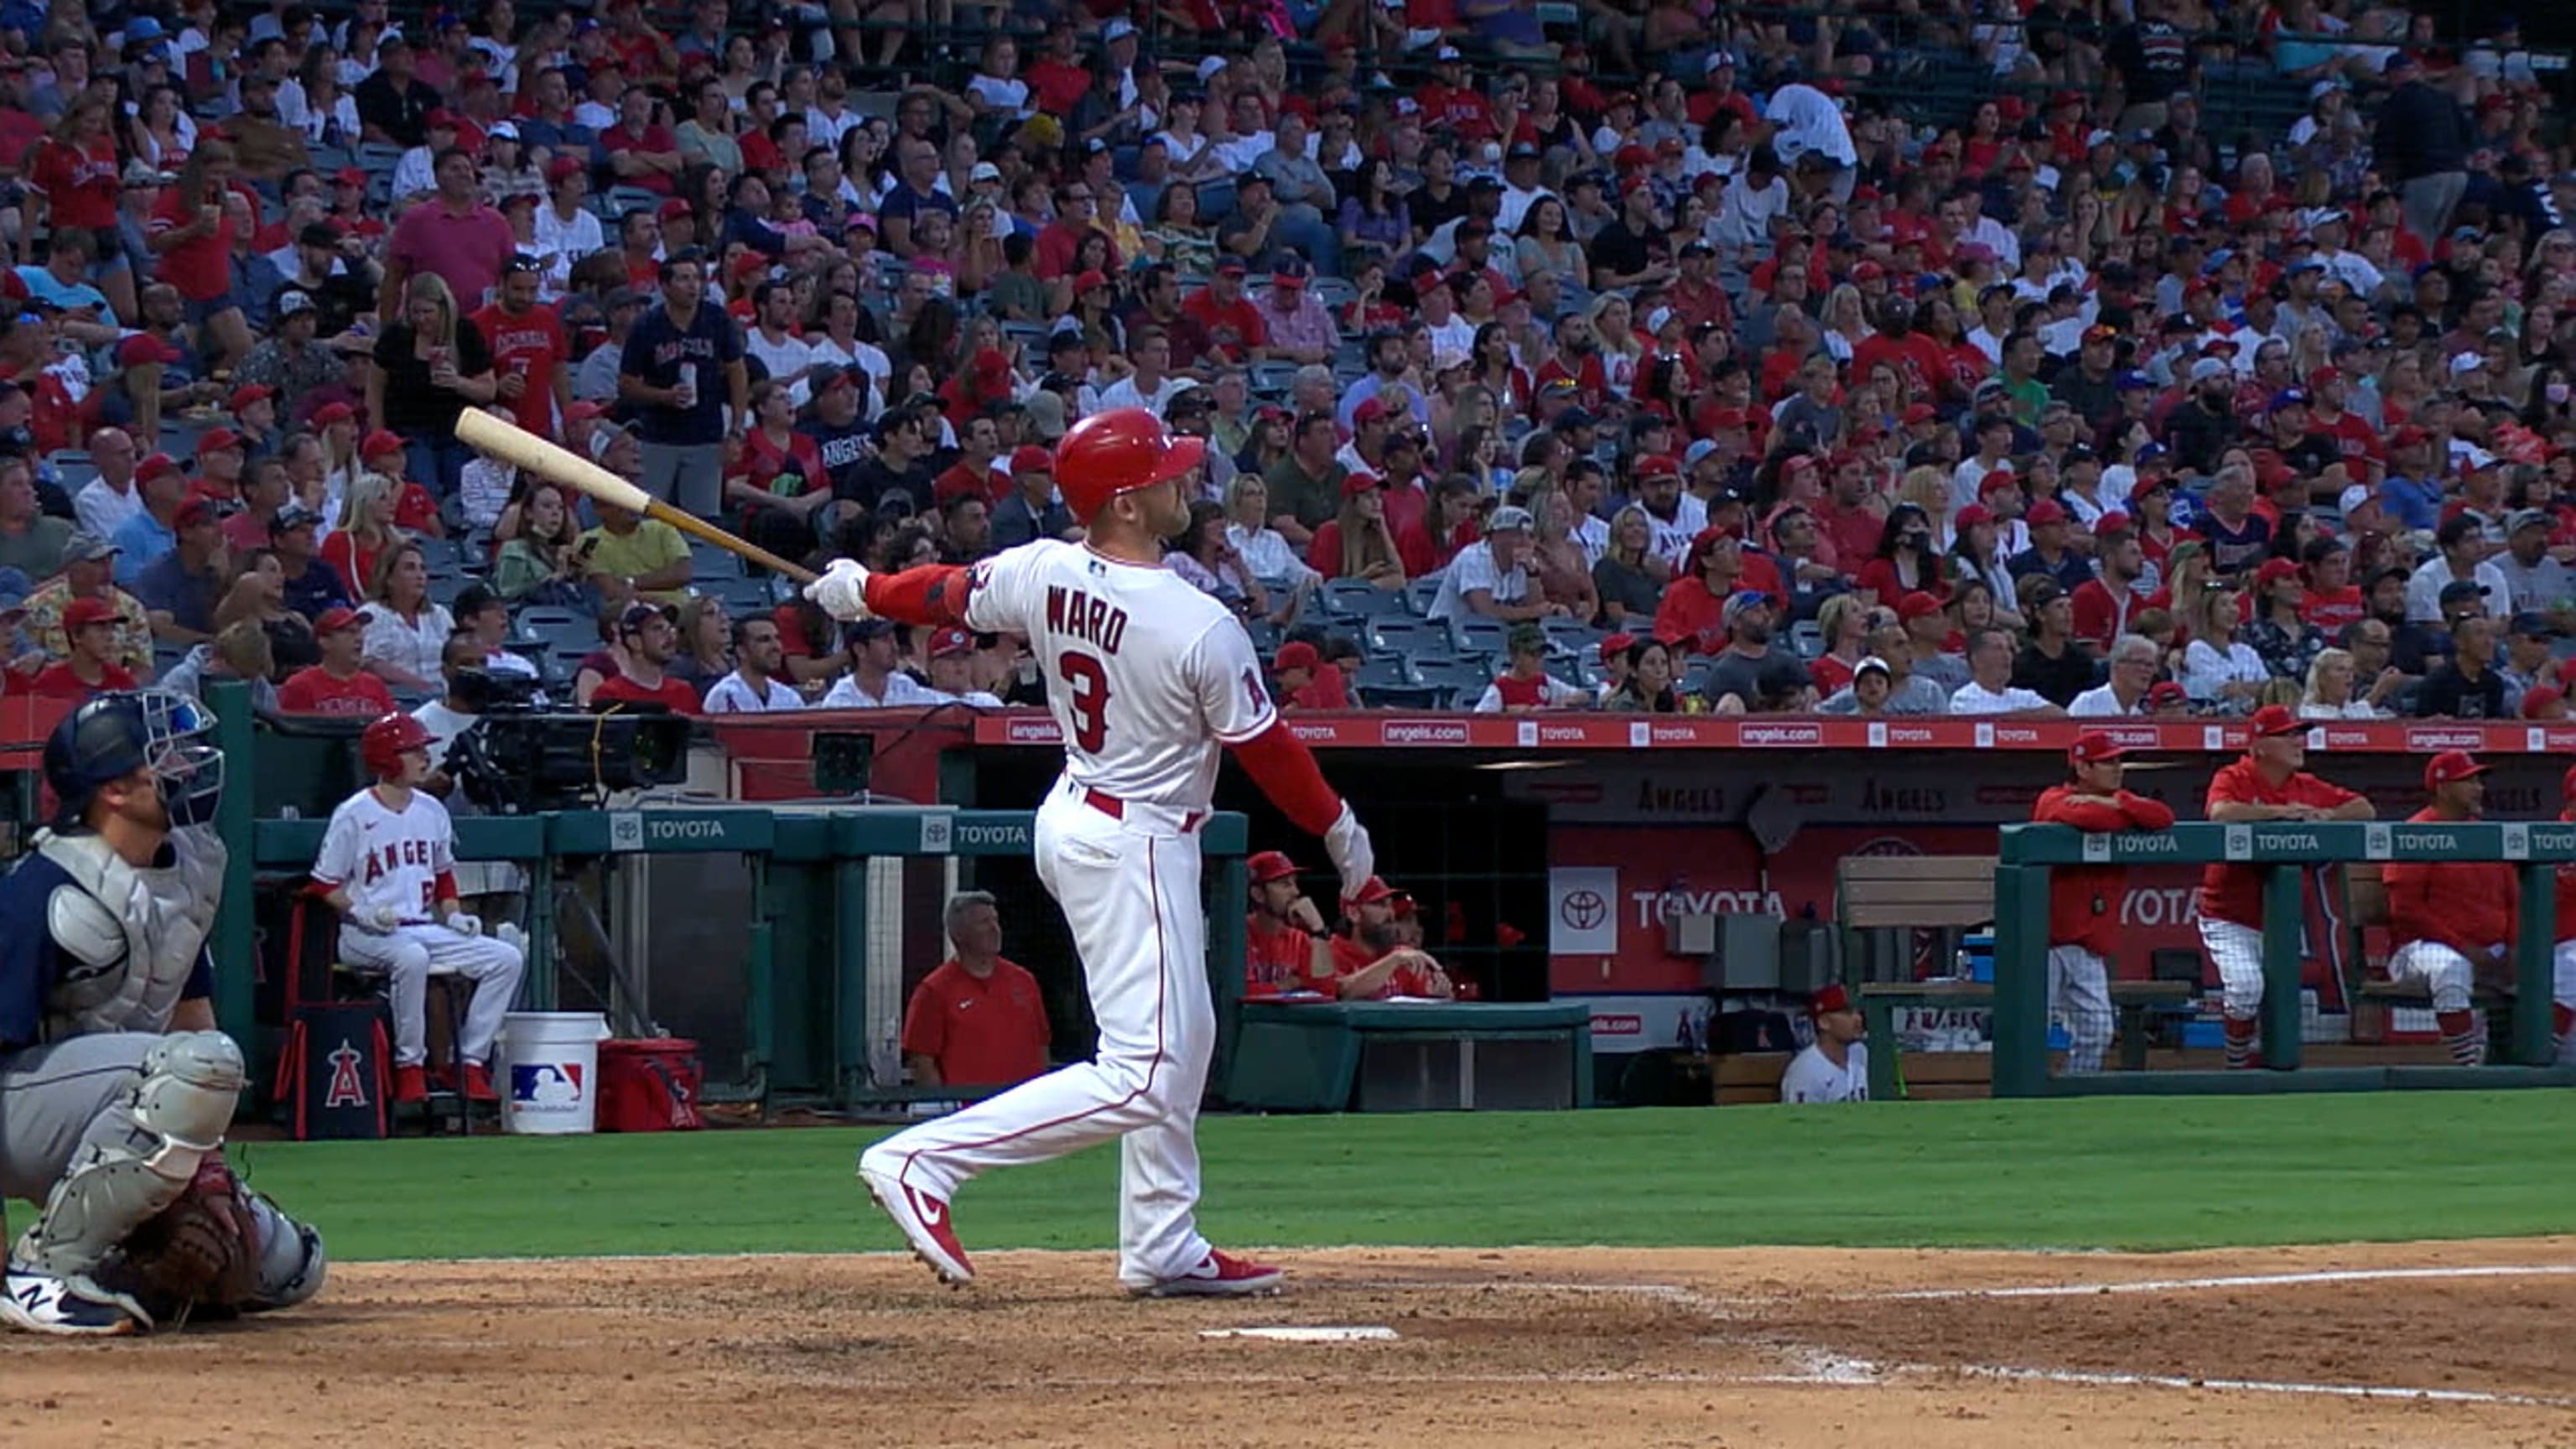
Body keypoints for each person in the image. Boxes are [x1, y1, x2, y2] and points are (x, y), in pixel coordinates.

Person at [805, 406, 1378, 1297]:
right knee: (1146, 1070)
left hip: (1088, 815)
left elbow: (944, 593)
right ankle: (924, 1161)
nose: (1185, 480)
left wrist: (863, 591)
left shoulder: (1044, 569)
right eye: (1167, 474)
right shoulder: (1196, 623)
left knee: (1183, 1044)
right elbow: (1269, 754)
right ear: (1125, 504)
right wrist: (1340, 828)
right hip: (1134, 837)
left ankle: (1161, 1241)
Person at [0, 690, 327, 1333]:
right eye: (165, 758)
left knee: (288, 1267)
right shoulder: (43, 892)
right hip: (19, 1116)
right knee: (196, 1064)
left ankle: (115, 1259)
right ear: (114, 790)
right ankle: (42, 1269)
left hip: (111, 1120)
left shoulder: (180, 874)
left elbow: (191, 1018)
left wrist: (201, 1170)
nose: (188, 768)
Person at [310, 714, 527, 1106]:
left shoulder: (431, 810)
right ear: (387, 757)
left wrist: (454, 913)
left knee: (506, 958)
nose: (425, 758)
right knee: (412, 958)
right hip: (364, 934)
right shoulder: (354, 813)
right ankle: (410, 1066)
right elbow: (324, 884)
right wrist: (361, 911)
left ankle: (471, 1063)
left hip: (421, 927)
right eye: (414, 751)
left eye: (424, 750)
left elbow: (443, 875)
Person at [2198, 704, 2373, 1069]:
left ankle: (2266, 1066)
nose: (2299, 741)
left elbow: (2364, 809)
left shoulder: (2305, 786)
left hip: (2281, 920)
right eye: (2289, 735)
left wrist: (2330, 815)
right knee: (2246, 988)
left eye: (2300, 734)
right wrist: (2279, 813)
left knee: (2280, 1001)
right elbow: (2221, 813)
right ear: (2260, 745)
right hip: (2229, 916)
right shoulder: (2235, 776)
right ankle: (2235, 1065)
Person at [2031, 734, 2179, 1075]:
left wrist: (2121, 804)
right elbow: (2093, 820)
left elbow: (2162, 817)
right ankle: (2022, 1098)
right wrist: (2122, 809)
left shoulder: (2120, 800)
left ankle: (2073, 1093)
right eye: (2108, 762)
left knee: (2098, 1031)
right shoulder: (2053, 799)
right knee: (2031, 1030)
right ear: (2082, 767)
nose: (2117, 769)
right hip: (2042, 943)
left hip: (2086, 946)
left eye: (2118, 762)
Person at [2381, 751, 2511, 1068]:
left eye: (2478, 780)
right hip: (2420, 950)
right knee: (2450, 968)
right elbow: (2406, 910)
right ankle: (2468, 1068)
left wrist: (2516, 946)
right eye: (2468, 781)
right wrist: (2463, 947)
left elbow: (2516, 901)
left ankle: (2526, 1064)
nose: (2478, 788)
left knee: (2554, 969)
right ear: (2442, 788)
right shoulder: (2417, 832)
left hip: (2490, 950)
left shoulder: (2487, 834)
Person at [618, 248, 749, 519]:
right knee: (648, 518)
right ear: (665, 286)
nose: (693, 286)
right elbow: (626, 384)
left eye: (696, 279)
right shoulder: (647, 326)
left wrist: (736, 430)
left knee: (702, 523)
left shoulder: (716, 319)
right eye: (684, 279)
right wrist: (663, 396)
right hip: (659, 437)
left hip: (706, 436)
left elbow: (738, 374)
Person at [898, 891, 1051, 1090]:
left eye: (995, 921)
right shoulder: (934, 991)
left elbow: (1042, 1043)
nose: (994, 929)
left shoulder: (1024, 981)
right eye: (983, 922)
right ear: (958, 933)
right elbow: (922, 1062)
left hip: (1023, 1106)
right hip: (970, 1110)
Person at [1243, 849, 1333, 999]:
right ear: (1258, 894)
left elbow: (1326, 992)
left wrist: (1318, 930)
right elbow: (1241, 992)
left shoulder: (1300, 940)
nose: (1296, 892)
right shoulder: (1240, 935)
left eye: (1294, 883)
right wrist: (1287, 986)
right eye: (1285, 885)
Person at [275, 607, 397, 717]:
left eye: (359, 632)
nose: (359, 638)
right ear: (324, 642)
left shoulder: (375, 685)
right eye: (349, 632)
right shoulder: (301, 686)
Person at [1779, 984, 1868, 1104]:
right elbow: (1800, 1120)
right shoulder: (1805, 1071)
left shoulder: (1859, 1053)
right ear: (1824, 1022)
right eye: (1847, 1012)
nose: (1858, 1018)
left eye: (1857, 1012)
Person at [1471, 623, 1588, 713]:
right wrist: (1505, 712)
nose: (1537, 660)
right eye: (1531, 654)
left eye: (1541, 654)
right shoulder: (1501, 687)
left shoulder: (1545, 681)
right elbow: (1479, 719)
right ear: (1514, 655)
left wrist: (1563, 703)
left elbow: (1583, 696)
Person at [703, 615, 805, 714]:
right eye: (764, 640)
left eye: (778, 638)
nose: (776, 646)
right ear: (742, 651)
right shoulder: (725, 695)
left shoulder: (789, 697)